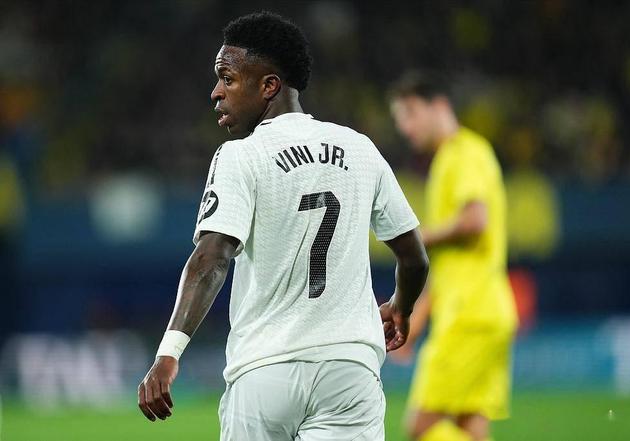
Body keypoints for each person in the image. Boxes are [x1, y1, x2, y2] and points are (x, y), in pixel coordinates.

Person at [137, 11, 428, 441]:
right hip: (349, 371)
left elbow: (212, 257)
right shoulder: (360, 149)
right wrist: (401, 308)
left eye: (227, 78)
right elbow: (415, 258)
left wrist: (168, 353)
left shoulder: (241, 156)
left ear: (269, 86)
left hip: (265, 371)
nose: (216, 92)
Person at [389, 71, 518, 441]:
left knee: (421, 428)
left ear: (439, 106)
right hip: (484, 310)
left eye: (411, 113)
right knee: (469, 427)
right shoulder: (454, 158)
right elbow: (449, 267)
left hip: (469, 315)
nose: (405, 128)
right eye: (400, 120)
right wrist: (415, 319)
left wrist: (416, 237)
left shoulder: (462, 152)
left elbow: (475, 220)